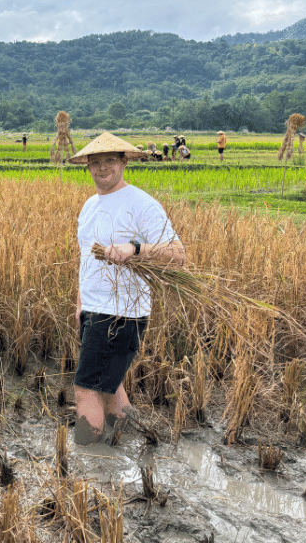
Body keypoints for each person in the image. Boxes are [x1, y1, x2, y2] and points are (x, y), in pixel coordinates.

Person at [68, 132, 185, 446]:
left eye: (109, 160)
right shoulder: (89, 206)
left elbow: (177, 254)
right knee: (111, 387)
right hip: (95, 309)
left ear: (123, 162)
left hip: (122, 312)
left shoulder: (141, 204)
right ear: (88, 166)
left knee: (86, 389)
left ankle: (87, 463)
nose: (102, 167)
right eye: (95, 162)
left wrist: (134, 250)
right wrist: (81, 302)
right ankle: (135, 442)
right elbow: (85, 260)